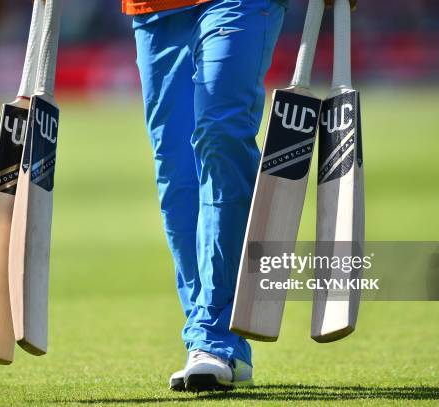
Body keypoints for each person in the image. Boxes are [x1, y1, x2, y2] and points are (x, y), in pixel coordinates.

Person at [123, 0, 287, 392]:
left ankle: (211, 336)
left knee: (221, 133)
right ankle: (219, 341)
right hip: (156, 10)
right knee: (176, 175)